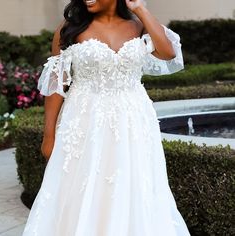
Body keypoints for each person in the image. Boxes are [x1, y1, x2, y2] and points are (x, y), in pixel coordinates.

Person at [22, 0, 190, 235]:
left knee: (132, 187)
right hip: (84, 122)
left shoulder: (138, 25)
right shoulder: (70, 29)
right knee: (82, 188)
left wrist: (140, 8)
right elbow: (56, 83)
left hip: (133, 123)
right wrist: (48, 134)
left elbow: (168, 52)